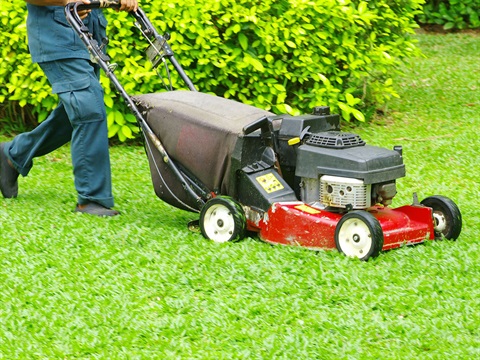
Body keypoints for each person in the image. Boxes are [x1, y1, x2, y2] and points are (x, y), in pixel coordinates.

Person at [0, 0, 138, 216]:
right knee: (88, 108)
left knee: (71, 116)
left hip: (88, 34)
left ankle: (12, 156)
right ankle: (91, 200)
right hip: (56, 35)